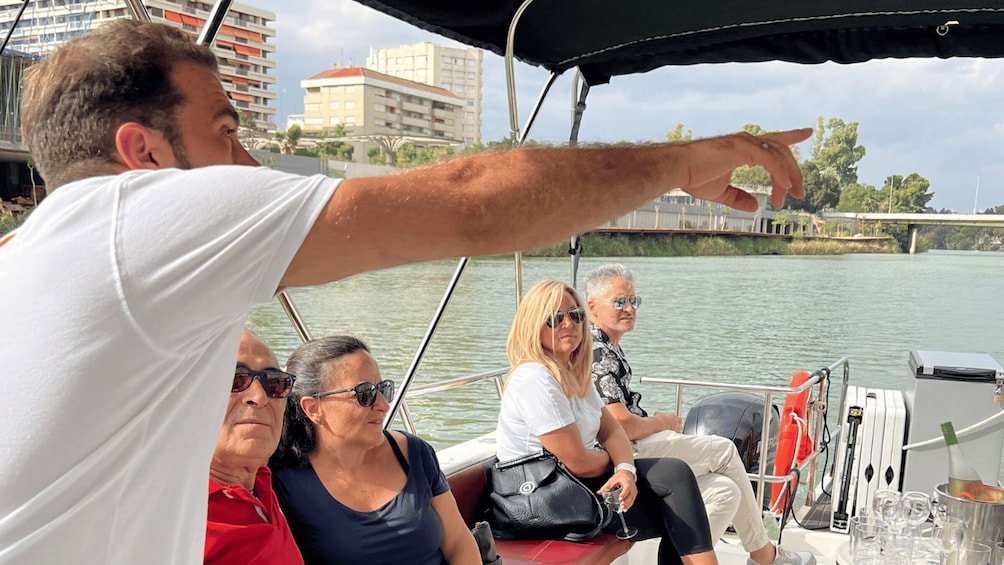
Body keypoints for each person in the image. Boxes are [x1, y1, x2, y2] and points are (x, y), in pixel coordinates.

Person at [0, 17, 810, 563]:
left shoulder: (34, 259)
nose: (248, 167)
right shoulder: (131, 226)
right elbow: (471, 200)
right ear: (140, 153)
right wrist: (680, 161)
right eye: (226, 131)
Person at [585, 264, 816, 565]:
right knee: (723, 449)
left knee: (725, 491)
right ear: (592, 306)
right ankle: (764, 555)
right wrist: (661, 422)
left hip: (634, 448)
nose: (629, 308)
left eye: (634, 301)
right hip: (620, 454)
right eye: (619, 302)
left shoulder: (609, 347)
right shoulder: (597, 350)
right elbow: (620, 423)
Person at [496, 279, 718, 565]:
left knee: (677, 492)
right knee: (674, 486)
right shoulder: (536, 378)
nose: (569, 324)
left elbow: (611, 430)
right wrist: (617, 463)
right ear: (533, 325)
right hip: (539, 499)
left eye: (576, 316)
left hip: (572, 488)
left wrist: (625, 470)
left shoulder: (573, 374)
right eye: (555, 318)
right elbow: (577, 461)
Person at [269, 335, 480, 565]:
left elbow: (459, 543)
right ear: (313, 408)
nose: (384, 405)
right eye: (365, 393)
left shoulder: (414, 454)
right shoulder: (283, 483)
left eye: (383, 389)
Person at [205, 329, 303, 565]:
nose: (259, 396)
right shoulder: (173, 515)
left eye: (275, 383)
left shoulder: (262, 484)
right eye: (234, 379)